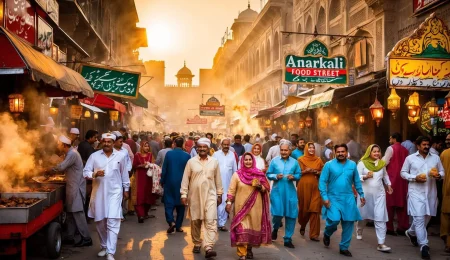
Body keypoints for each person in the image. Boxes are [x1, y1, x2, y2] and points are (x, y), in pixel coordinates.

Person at [83, 133, 130, 260]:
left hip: (115, 192)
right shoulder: (94, 156)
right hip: (98, 193)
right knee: (100, 222)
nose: (107, 143)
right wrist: (94, 174)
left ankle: (110, 252)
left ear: (113, 143)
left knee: (113, 220)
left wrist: (126, 188)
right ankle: (104, 246)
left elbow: (124, 174)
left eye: (110, 142)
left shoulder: (120, 156)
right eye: (105, 141)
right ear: (102, 142)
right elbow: (85, 172)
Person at [401, 136, 444, 259]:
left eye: (427, 144)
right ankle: (424, 246)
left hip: (431, 193)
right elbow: (403, 173)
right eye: (424, 144)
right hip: (415, 192)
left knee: (426, 217)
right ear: (418, 146)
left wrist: (438, 176)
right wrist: (415, 177)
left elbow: (442, 172)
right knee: (419, 219)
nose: (426, 146)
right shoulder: (410, 158)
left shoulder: (435, 158)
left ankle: (411, 232)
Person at [319, 144, 365, 257]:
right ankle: (327, 233)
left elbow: (357, 181)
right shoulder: (328, 165)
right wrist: (324, 198)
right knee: (334, 220)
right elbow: (322, 182)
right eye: (338, 151)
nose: (340, 153)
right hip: (333, 198)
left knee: (349, 223)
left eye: (342, 151)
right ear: (335, 152)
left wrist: (361, 194)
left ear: (346, 152)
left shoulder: (352, 165)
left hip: (348, 198)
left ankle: (344, 247)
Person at [180, 137, 223, 258]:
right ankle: (197, 242)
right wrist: (184, 194)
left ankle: (208, 246)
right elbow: (185, 179)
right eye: (200, 147)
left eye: (205, 147)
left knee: (211, 221)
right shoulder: (191, 162)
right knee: (195, 221)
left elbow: (218, 179)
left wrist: (219, 194)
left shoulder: (214, 162)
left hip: (210, 195)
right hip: (194, 196)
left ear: (209, 148)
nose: (202, 149)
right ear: (197, 148)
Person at [226, 153, 272, 260]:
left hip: (256, 207)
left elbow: (266, 189)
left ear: (253, 161)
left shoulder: (259, 174)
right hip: (240, 207)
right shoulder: (237, 175)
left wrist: (260, 186)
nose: (248, 162)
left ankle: (249, 249)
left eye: (250, 160)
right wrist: (229, 203)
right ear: (242, 161)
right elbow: (231, 190)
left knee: (252, 228)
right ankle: (242, 254)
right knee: (241, 229)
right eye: (245, 160)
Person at [53, 135, 92, 247]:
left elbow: (61, 167)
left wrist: (49, 169)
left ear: (64, 145)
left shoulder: (72, 154)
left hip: (76, 187)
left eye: (59, 144)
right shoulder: (70, 153)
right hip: (72, 186)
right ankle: (70, 237)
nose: (57, 146)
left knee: (78, 213)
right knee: (70, 213)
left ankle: (86, 238)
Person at [356, 144, 393, 252]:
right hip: (365, 194)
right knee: (363, 215)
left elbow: (385, 175)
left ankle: (381, 243)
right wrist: (365, 176)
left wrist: (389, 185)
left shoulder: (381, 164)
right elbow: (356, 176)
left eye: (378, 151)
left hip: (380, 194)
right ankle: (359, 229)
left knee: (380, 217)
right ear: (369, 153)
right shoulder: (362, 163)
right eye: (374, 151)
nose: (377, 153)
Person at [266, 140, 301, 248]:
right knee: (277, 214)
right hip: (277, 191)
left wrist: (294, 177)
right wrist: (275, 176)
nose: (284, 152)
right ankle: (275, 227)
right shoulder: (274, 161)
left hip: (290, 192)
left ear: (290, 151)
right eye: (282, 150)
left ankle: (287, 239)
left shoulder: (294, 162)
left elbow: (299, 174)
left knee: (291, 215)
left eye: (286, 150)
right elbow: (268, 173)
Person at [382, 132, 409, 236]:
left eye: (390, 138)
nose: (389, 140)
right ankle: (402, 227)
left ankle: (389, 227)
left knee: (389, 203)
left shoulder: (391, 148)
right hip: (403, 179)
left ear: (394, 139)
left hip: (392, 178)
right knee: (402, 203)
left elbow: (385, 162)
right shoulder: (406, 150)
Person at [161, 137, 190, 233]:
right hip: (183, 183)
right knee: (181, 204)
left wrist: (162, 180)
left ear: (174, 144)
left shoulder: (169, 154)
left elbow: (164, 168)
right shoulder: (187, 156)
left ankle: (171, 221)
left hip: (169, 182)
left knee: (169, 203)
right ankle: (178, 226)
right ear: (182, 144)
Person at [297, 142, 324, 241]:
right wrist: (306, 171)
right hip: (303, 187)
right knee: (304, 209)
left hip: (316, 187)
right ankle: (303, 224)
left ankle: (314, 234)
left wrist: (316, 172)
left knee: (315, 209)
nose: (311, 149)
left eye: (313, 148)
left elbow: (323, 172)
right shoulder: (300, 159)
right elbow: (296, 173)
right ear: (306, 149)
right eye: (309, 148)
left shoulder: (318, 160)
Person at [213, 138, 238, 231]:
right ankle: (216, 222)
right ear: (221, 145)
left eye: (228, 145)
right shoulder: (216, 154)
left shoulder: (232, 155)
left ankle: (222, 223)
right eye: (224, 144)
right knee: (217, 202)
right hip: (217, 183)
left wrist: (235, 183)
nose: (226, 146)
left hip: (228, 183)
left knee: (225, 202)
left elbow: (235, 170)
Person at [131, 141, 155, 223]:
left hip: (148, 178)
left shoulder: (150, 155)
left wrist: (150, 165)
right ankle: (140, 215)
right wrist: (141, 166)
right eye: (145, 146)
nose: (147, 148)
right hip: (139, 178)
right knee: (139, 196)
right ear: (141, 147)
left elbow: (154, 165)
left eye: (148, 146)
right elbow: (134, 166)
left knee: (148, 195)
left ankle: (145, 213)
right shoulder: (137, 155)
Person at [440, 134, 450, 253]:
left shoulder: (444, 154)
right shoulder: (445, 154)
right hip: (447, 190)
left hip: (447, 189)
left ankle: (448, 243)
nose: (447, 141)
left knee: (446, 216)